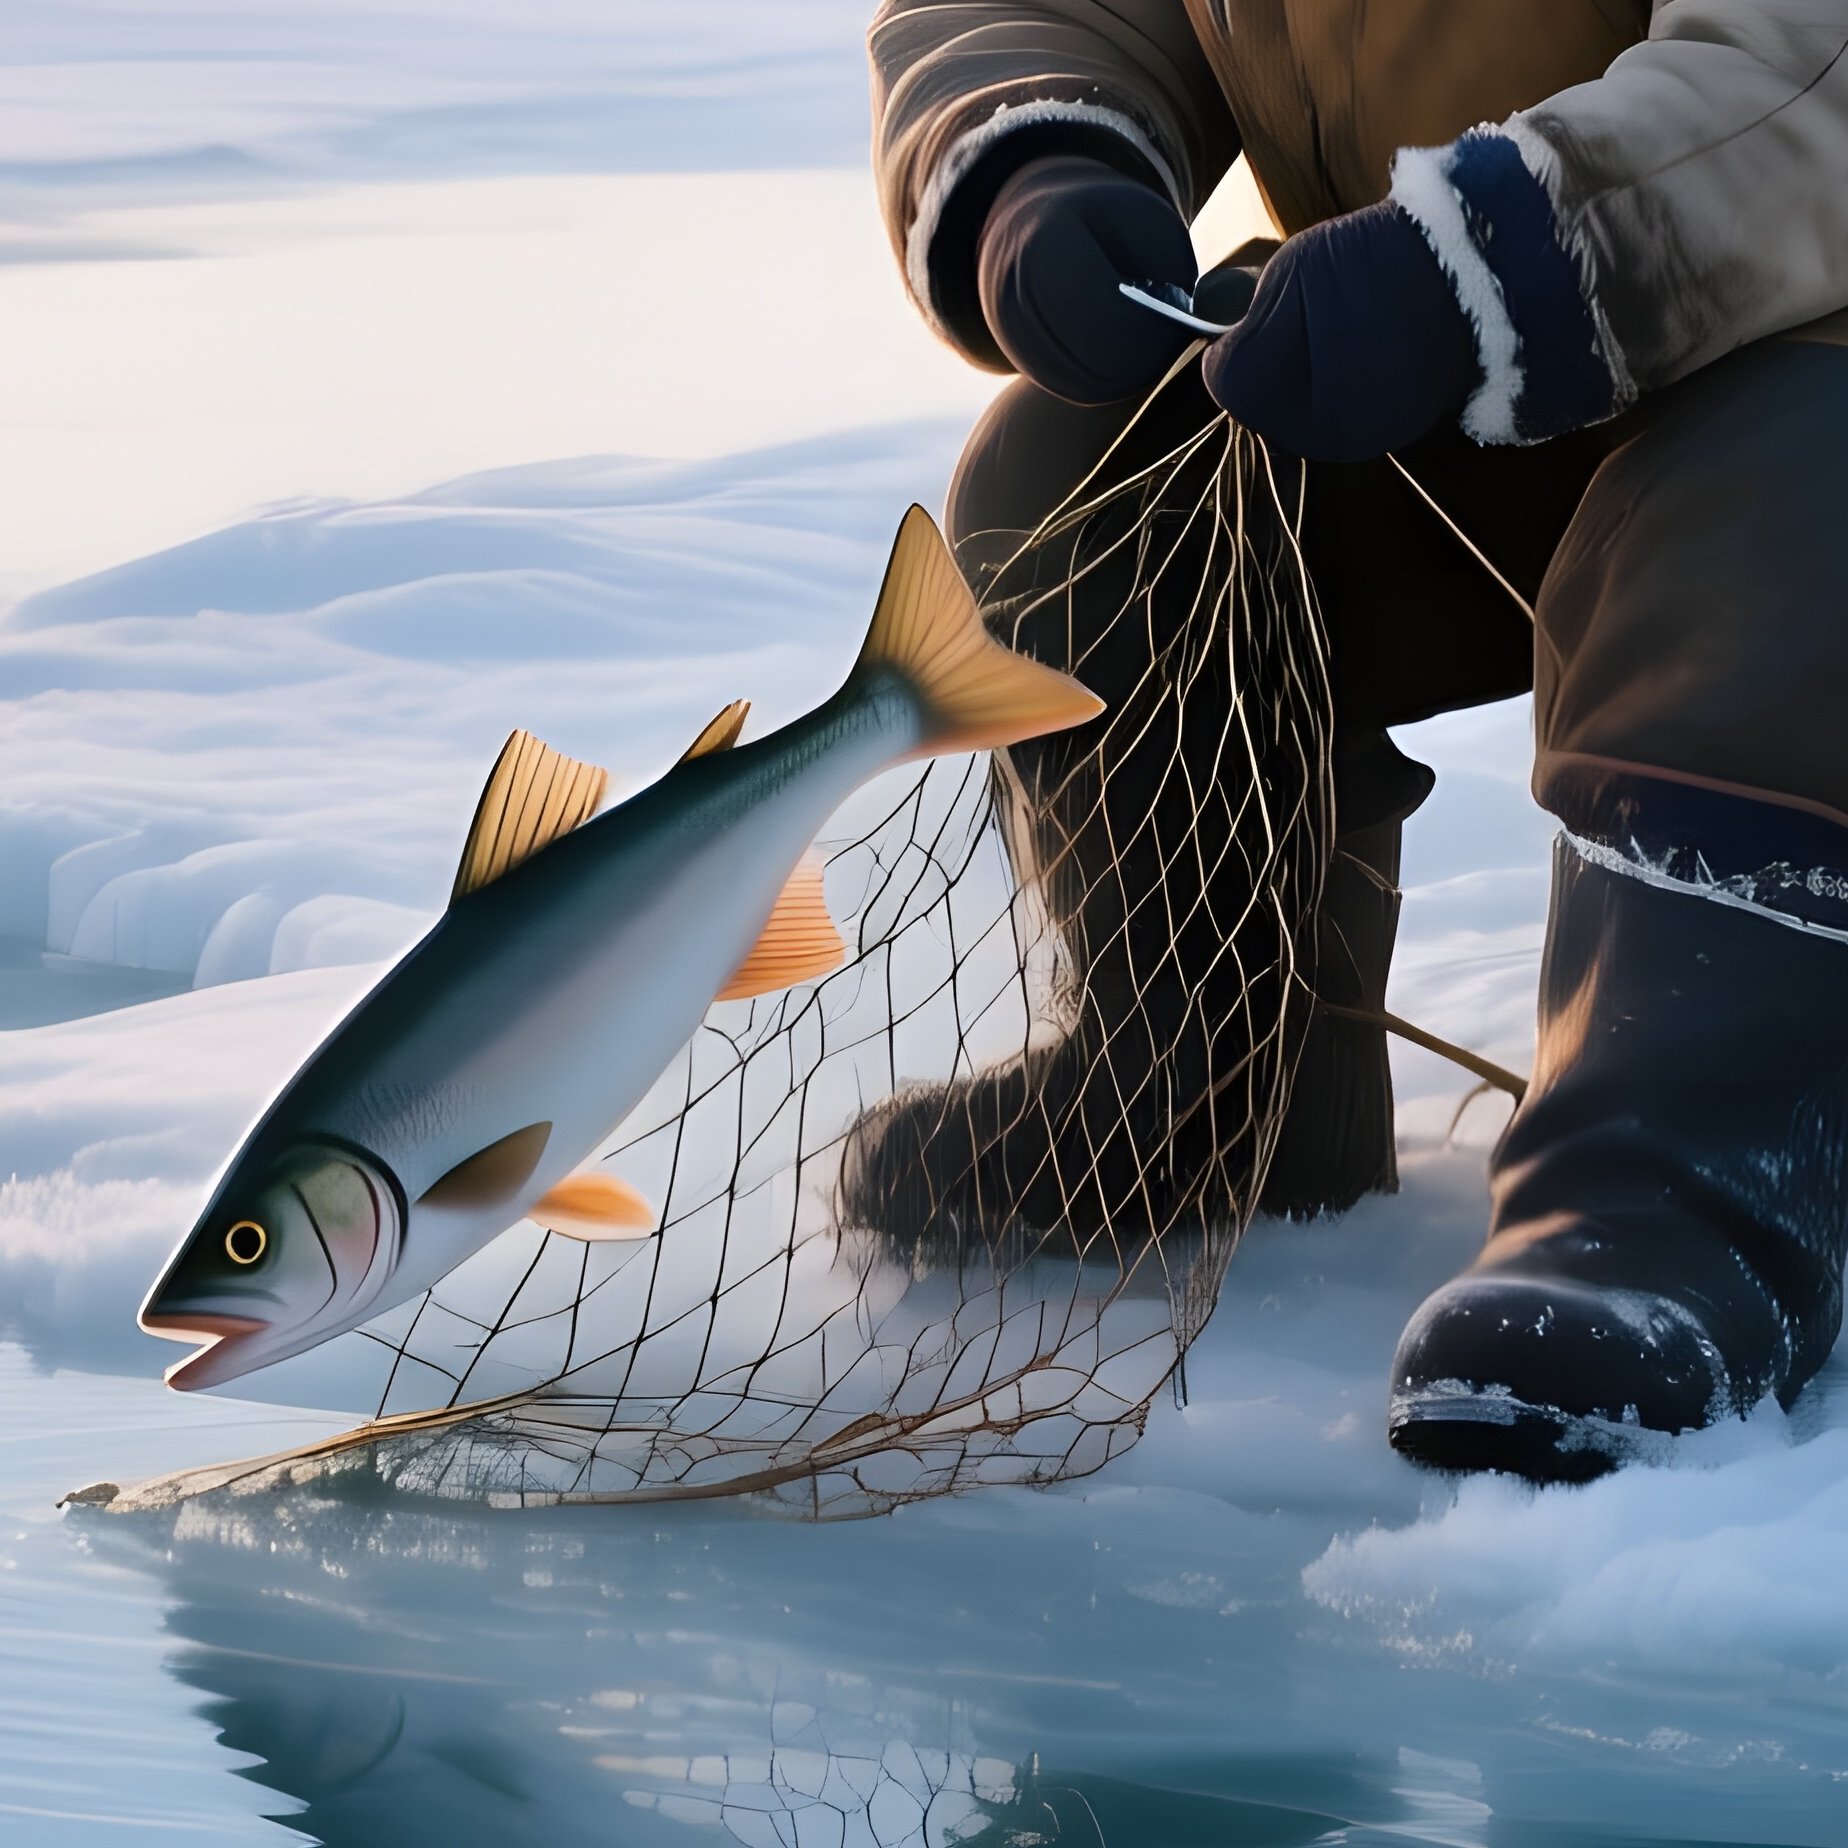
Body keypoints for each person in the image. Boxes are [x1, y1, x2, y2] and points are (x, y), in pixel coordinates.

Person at [847, 0, 1848, 1480]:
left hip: (1796, 322)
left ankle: (1678, 1193)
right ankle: (1206, 1092)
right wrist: (1035, 147)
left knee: (1763, 531)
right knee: (1092, 475)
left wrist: (1490, 257)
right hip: (1490, 314)